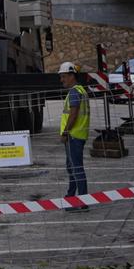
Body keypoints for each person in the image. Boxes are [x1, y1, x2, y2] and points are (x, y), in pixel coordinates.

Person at [58, 62, 90, 205]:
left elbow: (73, 114)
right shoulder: (81, 90)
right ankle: (71, 196)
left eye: (64, 76)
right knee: (72, 167)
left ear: (72, 76)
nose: (62, 80)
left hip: (73, 135)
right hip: (78, 135)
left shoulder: (74, 92)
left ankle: (82, 201)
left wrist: (65, 132)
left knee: (76, 168)